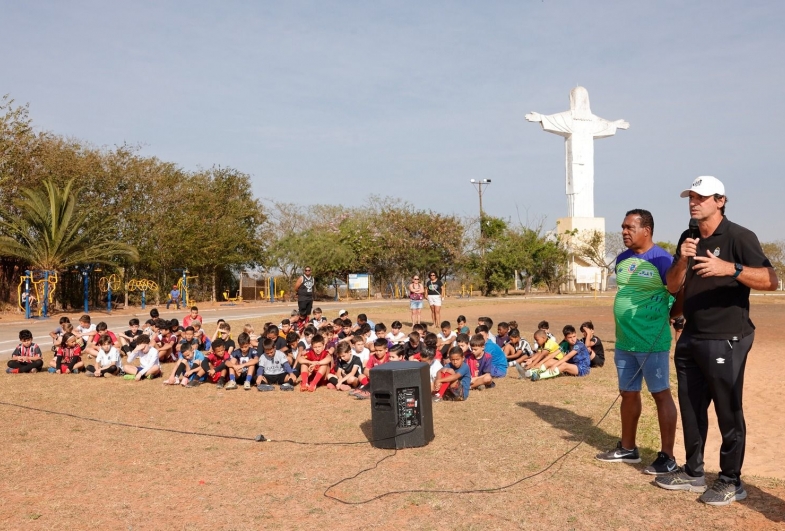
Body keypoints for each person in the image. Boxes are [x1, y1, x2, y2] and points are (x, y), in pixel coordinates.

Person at [655, 177, 778, 505]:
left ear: (720, 201)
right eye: (691, 197)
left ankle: (730, 480)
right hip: (691, 335)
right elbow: (671, 286)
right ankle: (694, 472)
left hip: (727, 337)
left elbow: (771, 280)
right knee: (692, 407)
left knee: (727, 410)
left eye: (701, 197)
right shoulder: (689, 237)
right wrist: (682, 259)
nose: (694, 203)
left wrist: (731, 268)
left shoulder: (739, 236)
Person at [596, 209, 679, 477]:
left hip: (652, 343)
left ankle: (667, 456)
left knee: (660, 394)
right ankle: (628, 448)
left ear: (647, 230)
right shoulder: (621, 259)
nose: (624, 232)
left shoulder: (663, 259)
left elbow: (679, 295)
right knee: (628, 393)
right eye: (622, 227)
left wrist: (673, 318)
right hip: (624, 342)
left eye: (630, 227)